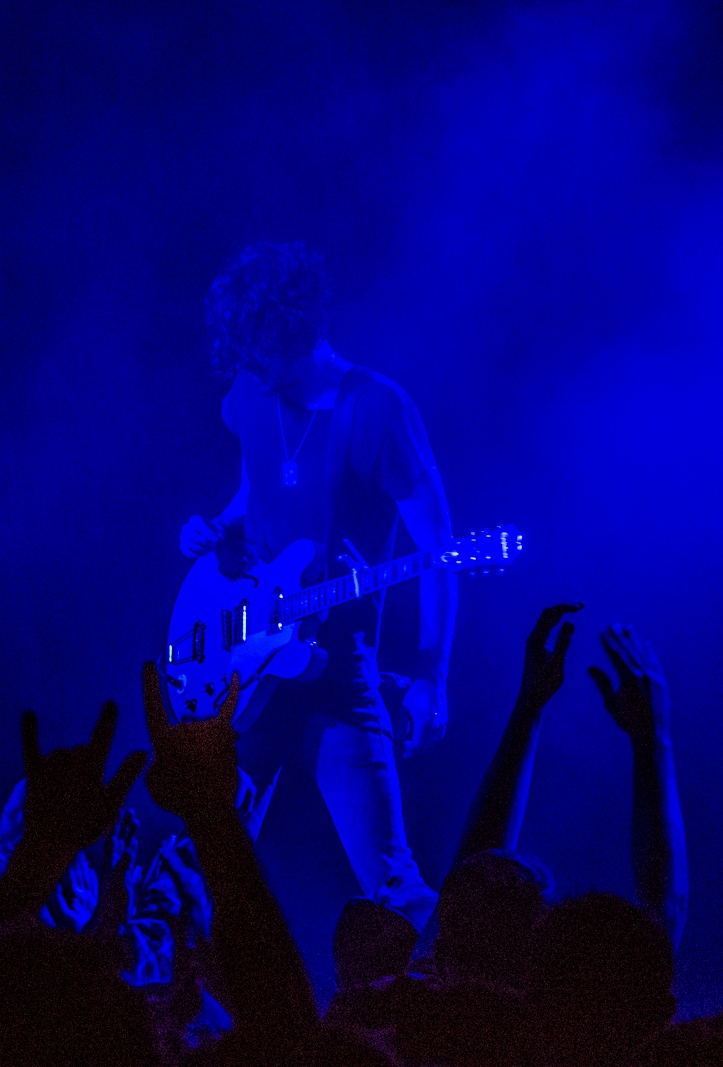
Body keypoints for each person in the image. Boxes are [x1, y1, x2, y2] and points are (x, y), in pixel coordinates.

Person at [177, 241, 456, 929]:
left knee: (394, 884)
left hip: (338, 669)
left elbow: (439, 554)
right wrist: (217, 523)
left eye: (255, 347)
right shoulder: (248, 393)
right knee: (196, 871)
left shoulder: (380, 411)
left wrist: (429, 676)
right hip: (246, 661)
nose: (243, 365)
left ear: (291, 331)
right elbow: (255, 482)